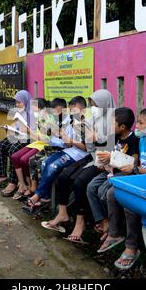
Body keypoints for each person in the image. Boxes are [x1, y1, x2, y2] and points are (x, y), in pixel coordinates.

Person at [98, 107, 146, 271]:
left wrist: (134, 169)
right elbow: (137, 164)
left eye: (140, 123)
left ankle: (132, 247)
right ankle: (115, 233)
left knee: (129, 202)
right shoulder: (143, 140)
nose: (136, 126)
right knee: (112, 193)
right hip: (142, 180)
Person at [41, 89, 116, 244]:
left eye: (95, 104)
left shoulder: (113, 122)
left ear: (104, 104)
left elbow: (110, 148)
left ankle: (80, 223)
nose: (93, 108)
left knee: (79, 182)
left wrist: (95, 139)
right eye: (91, 104)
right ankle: (62, 213)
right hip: (91, 156)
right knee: (63, 176)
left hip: (104, 162)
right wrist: (85, 133)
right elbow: (89, 147)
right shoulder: (92, 120)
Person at [22, 96, 88, 214]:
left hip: (78, 156)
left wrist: (68, 140)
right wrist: (61, 135)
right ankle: (45, 197)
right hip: (68, 151)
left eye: (75, 110)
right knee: (44, 163)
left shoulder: (85, 125)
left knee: (53, 167)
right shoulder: (71, 124)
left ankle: (37, 196)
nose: (72, 113)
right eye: (71, 110)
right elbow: (66, 144)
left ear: (83, 110)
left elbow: (86, 147)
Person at [85, 107, 139, 242]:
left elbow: (133, 162)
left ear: (122, 127)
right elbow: (105, 153)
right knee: (91, 188)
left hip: (122, 173)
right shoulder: (113, 137)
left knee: (104, 193)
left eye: (111, 123)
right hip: (110, 171)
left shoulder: (134, 140)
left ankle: (114, 226)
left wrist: (112, 158)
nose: (108, 126)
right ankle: (103, 221)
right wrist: (103, 162)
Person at [0, 90, 32, 196]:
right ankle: (2, 175)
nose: (17, 105)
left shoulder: (32, 113)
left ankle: (13, 182)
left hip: (28, 139)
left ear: (26, 101)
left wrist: (24, 131)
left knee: (13, 149)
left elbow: (33, 132)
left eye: (19, 102)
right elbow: (16, 125)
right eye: (16, 102)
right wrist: (9, 128)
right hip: (18, 136)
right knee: (1, 145)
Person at [11, 98, 54, 200]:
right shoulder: (39, 117)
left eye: (33, 107)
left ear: (39, 107)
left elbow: (46, 139)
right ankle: (24, 184)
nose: (31, 109)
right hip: (36, 143)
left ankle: (31, 187)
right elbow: (36, 135)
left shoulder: (48, 118)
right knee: (15, 157)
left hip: (43, 145)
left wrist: (29, 132)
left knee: (24, 160)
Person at [27, 98, 69, 195]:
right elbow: (48, 135)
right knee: (32, 160)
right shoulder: (55, 120)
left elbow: (65, 142)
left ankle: (44, 194)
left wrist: (57, 133)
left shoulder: (68, 122)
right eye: (53, 111)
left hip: (62, 149)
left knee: (42, 163)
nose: (55, 113)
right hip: (51, 146)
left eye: (58, 111)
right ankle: (34, 189)